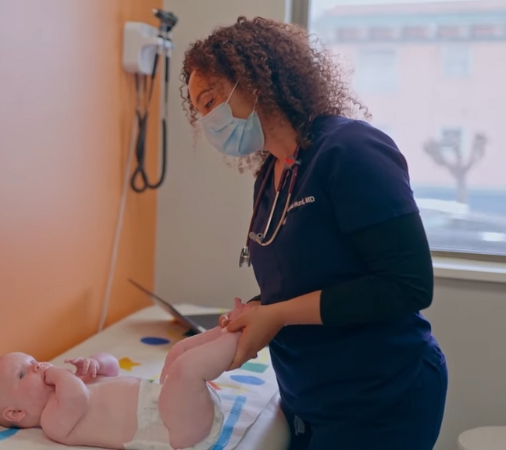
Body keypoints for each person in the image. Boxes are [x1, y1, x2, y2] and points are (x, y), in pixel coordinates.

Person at [181, 16, 448, 450]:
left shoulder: (350, 151)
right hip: (309, 399)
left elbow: (408, 285)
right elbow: (303, 283)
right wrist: (258, 308)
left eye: (211, 100)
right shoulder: (270, 177)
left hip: (381, 396)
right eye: (199, 110)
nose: (208, 120)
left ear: (251, 81)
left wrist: (277, 314)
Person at [0, 302, 253, 450]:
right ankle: (246, 335)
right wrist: (62, 375)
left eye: (34, 360)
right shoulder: (52, 421)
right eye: (24, 373)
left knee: (177, 354)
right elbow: (77, 399)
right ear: (15, 412)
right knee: (186, 370)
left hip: (169, 402)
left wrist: (96, 364)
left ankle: (229, 328)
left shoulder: (71, 382)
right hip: (175, 431)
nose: (38, 366)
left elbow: (114, 369)